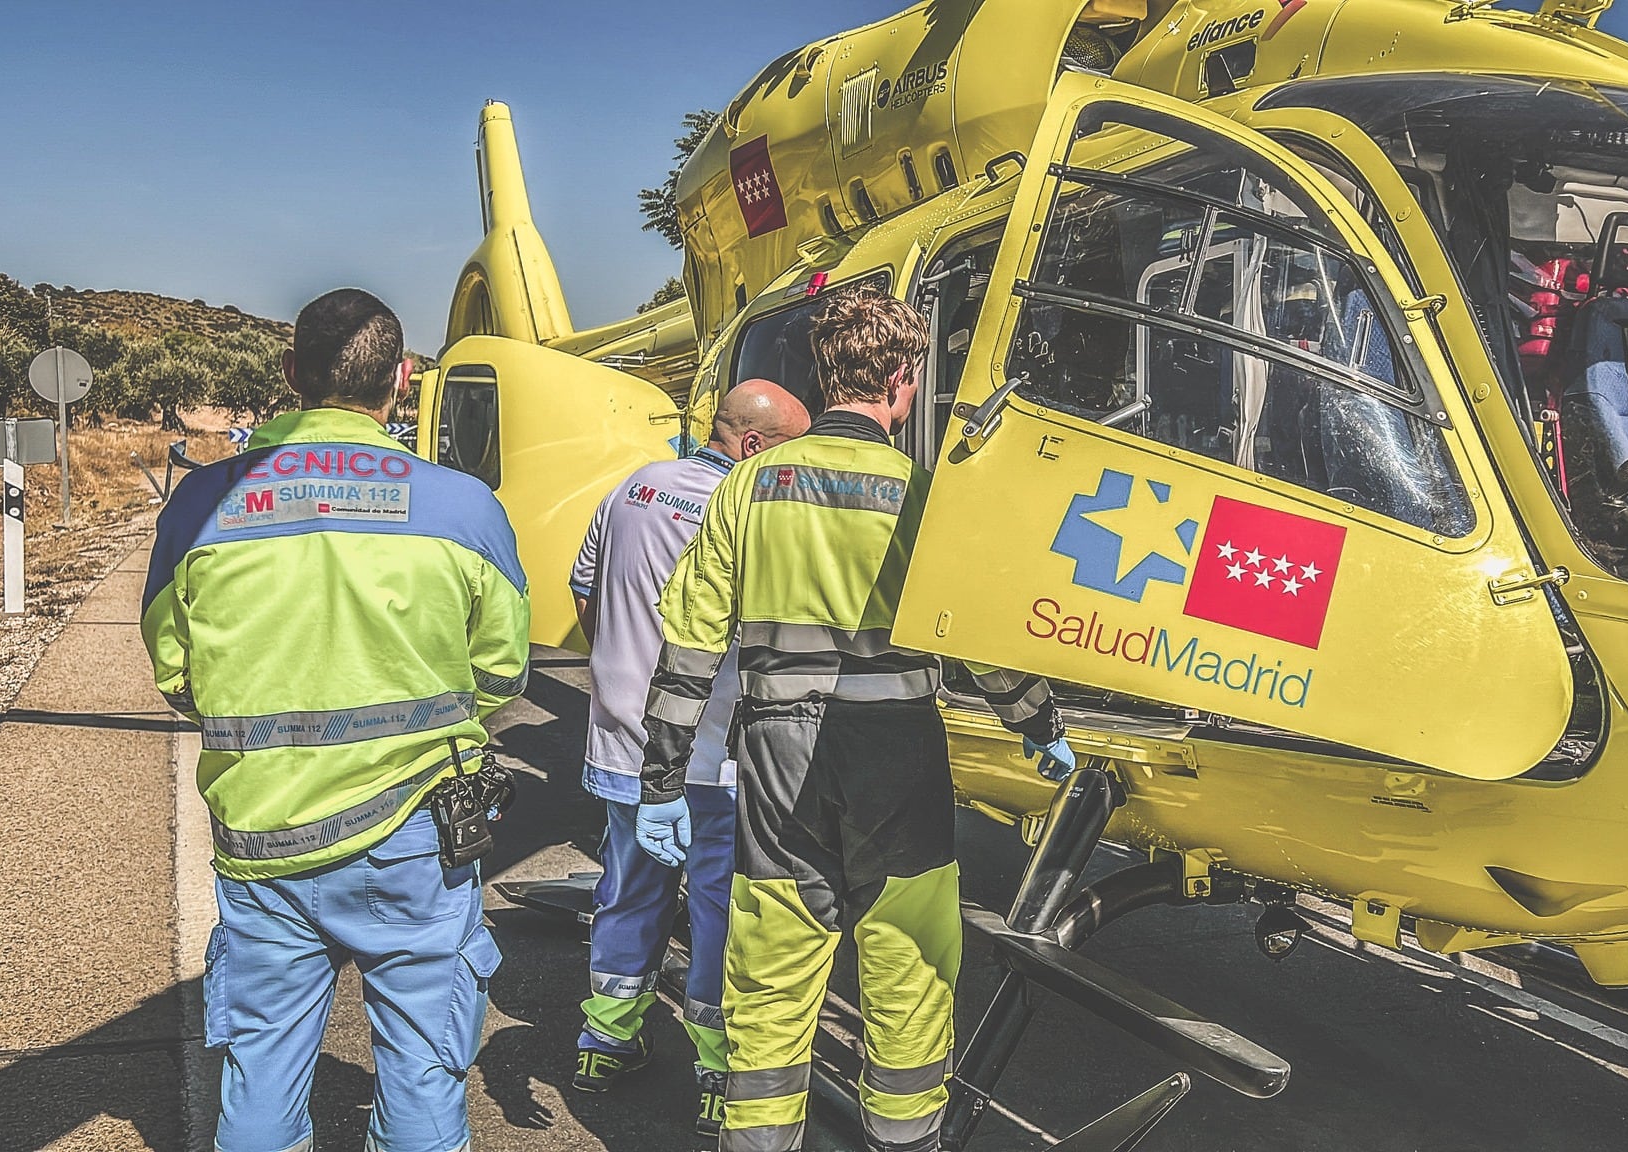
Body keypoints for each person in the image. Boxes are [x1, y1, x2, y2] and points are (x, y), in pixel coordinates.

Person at [639, 287, 1076, 1152]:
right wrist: (1036, 721)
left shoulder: (750, 487)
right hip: (898, 755)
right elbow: (980, 645)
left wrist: (661, 779)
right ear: (903, 381)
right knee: (908, 966)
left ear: (825, 371)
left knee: (770, 968)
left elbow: (688, 643)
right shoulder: (924, 496)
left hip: (774, 749)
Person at [142, 288, 530, 1152]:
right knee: (425, 1071)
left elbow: (177, 674)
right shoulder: (464, 507)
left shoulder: (202, 505)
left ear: (290, 376)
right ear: (401, 378)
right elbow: (502, 675)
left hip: (262, 831)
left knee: (261, 1073)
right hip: (419, 841)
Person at [566, 380, 810, 1122]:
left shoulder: (633, 487)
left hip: (622, 744)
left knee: (628, 890)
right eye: (792, 453)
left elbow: (584, 593)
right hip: (712, 755)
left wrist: (620, 677)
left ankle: (603, 1042)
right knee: (718, 909)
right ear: (755, 445)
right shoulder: (750, 510)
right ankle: (714, 1073)